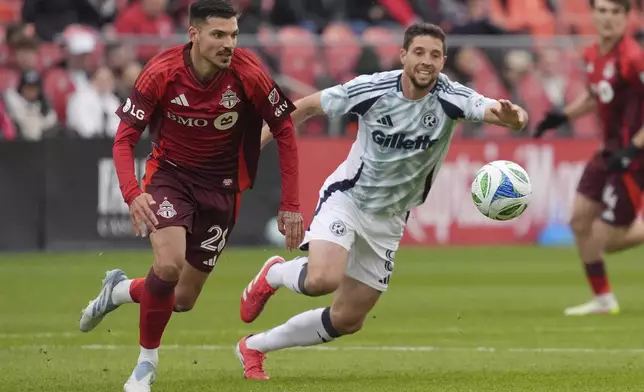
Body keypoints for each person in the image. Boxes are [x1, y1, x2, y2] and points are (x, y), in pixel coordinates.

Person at [235, 22, 528, 380]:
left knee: (347, 319)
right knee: (322, 279)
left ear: (443, 60)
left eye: (435, 55)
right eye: (419, 52)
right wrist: (251, 151)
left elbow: (501, 112)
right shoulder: (372, 88)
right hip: (349, 198)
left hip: (389, 219)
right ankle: (276, 273)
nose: (426, 62)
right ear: (404, 55)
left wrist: (516, 119)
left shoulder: (452, 97)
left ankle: (254, 347)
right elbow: (305, 107)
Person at [77, 1, 304, 390]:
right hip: (171, 177)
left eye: (233, 34)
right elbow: (124, 138)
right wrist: (132, 193)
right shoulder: (162, 72)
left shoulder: (248, 73)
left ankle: (117, 290)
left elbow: (284, 130)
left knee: (181, 299)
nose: (228, 43)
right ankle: (145, 364)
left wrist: (291, 205)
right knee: (167, 267)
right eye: (218, 34)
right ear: (194, 34)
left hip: (223, 189)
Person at [534, 0, 644, 316]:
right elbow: (596, 96)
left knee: (608, 239)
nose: (608, 18)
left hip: (634, 154)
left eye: (615, 12)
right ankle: (603, 299)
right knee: (580, 219)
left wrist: (633, 149)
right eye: (602, 11)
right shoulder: (592, 54)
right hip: (609, 149)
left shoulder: (634, 57)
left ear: (627, 17)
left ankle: (604, 298)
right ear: (592, 14)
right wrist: (561, 116)